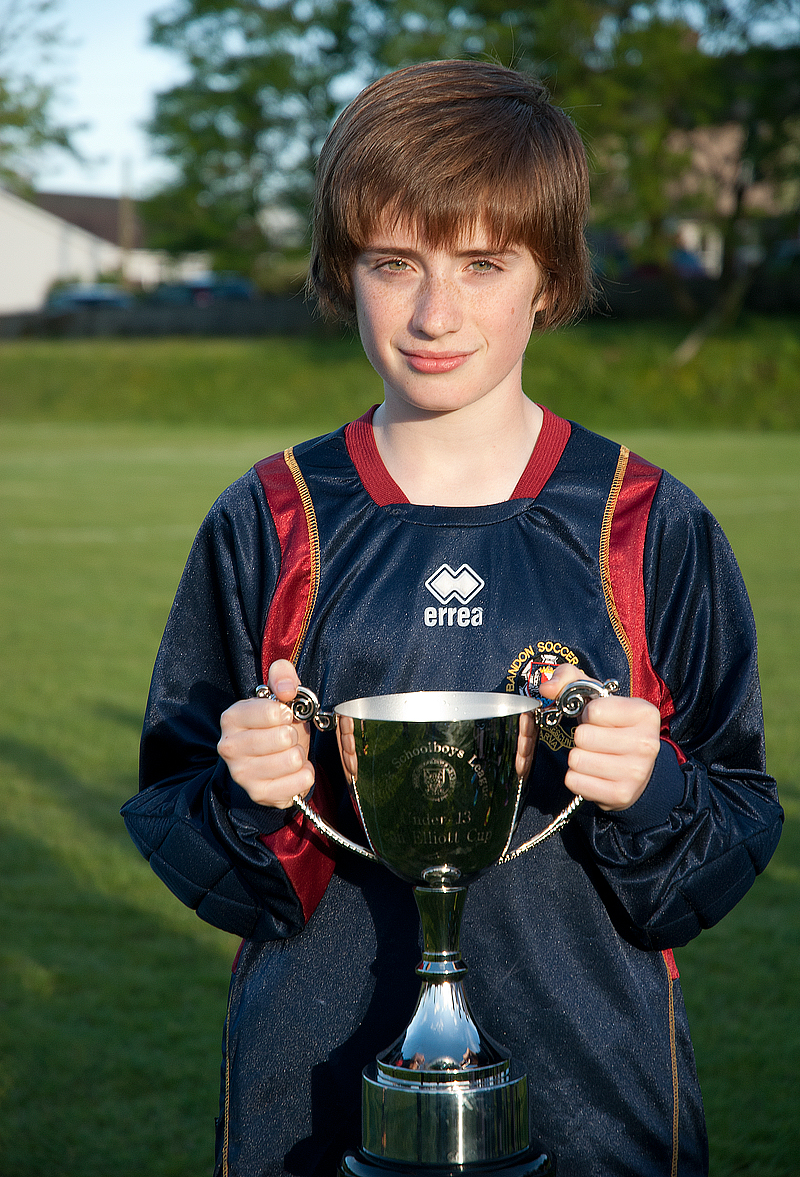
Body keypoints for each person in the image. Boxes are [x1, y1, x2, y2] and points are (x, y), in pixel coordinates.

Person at [122, 59, 783, 1177]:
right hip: (311, 1093)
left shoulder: (644, 523)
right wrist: (248, 788)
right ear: (344, 271)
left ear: (549, 280)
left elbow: (730, 827)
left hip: (595, 1092)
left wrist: (653, 782)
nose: (434, 313)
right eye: (393, 263)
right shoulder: (270, 519)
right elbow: (188, 821)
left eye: (483, 263)